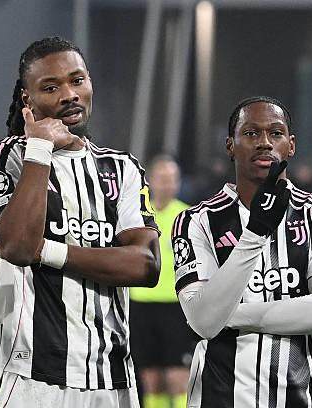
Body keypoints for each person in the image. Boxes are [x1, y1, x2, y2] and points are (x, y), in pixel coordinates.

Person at [0, 37, 160, 408]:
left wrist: (47, 250)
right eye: (50, 87)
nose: (69, 95)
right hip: (32, 376)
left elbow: (145, 265)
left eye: (77, 80)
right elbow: (17, 246)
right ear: (27, 100)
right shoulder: (7, 158)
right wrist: (39, 148)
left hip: (112, 378)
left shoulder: (121, 168)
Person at [172, 96, 312, 407]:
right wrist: (255, 233)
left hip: (301, 399)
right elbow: (203, 322)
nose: (265, 142)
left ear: (291, 146)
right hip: (219, 399)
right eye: (251, 133)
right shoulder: (195, 221)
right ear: (230, 145)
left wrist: (229, 315)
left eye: (276, 133)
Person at [129, 155, 191, 408]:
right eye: (163, 179)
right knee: (151, 378)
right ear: (151, 181)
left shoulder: (187, 216)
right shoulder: (136, 215)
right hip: (141, 304)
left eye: (173, 179)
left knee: (178, 377)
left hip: (176, 306)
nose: (168, 185)